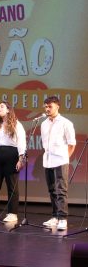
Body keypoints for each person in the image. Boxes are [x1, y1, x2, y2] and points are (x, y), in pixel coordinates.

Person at [40, 96, 76, 230]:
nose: (47, 109)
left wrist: (65, 157)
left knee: (61, 190)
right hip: (48, 160)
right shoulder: (43, 124)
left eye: (50, 106)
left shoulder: (66, 123)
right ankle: (55, 216)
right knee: (52, 190)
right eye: (46, 107)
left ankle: (62, 218)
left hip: (61, 160)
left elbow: (72, 143)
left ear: (57, 106)